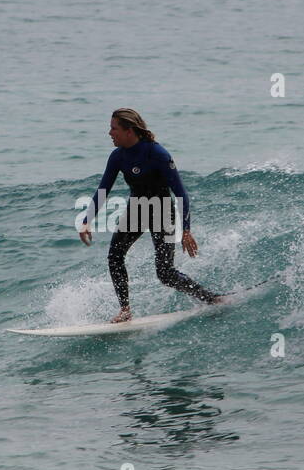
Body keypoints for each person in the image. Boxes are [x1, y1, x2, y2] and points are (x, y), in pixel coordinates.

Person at [77, 109, 226, 322]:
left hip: (162, 211)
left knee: (165, 273)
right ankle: (125, 310)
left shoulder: (157, 154)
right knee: (115, 256)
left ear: (129, 131)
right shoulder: (118, 156)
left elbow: (181, 192)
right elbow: (103, 190)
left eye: (114, 128)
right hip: (137, 209)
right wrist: (86, 221)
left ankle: (211, 299)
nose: (110, 133)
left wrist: (186, 229)